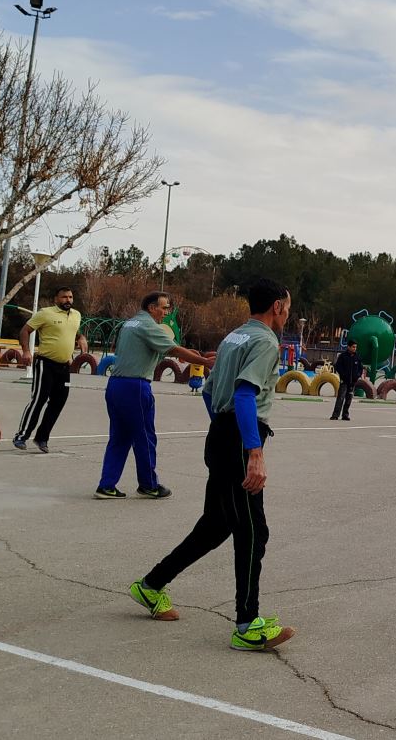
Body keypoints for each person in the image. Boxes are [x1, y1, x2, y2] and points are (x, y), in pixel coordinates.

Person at [128, 277, 297, 651]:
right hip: (238, 438)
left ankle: (151, 585)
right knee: (252, 531)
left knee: (215, 525)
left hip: (221, 433)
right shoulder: (265, 341)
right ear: (277, 307)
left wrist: (222, 430)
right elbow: (245, 395)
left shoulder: (234, 337)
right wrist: (253, 452)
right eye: (288, 307)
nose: (288, 313)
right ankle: (247, 624)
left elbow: (208, 391)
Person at [95, 291, 215, 500]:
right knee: (145, 437)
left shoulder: (130, 324)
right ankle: (148, 485)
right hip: (135, 386)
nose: (167, 312)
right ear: (152, 308)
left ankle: (106, 485)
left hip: (115, 385)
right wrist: (205, 362)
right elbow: (173, 350)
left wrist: (191, 353)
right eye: (165, 307)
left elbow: (162, 349)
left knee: (119, 438)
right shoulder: (149, 326)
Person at [12, 286, 89, 453]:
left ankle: (42, 438)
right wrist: (26, 351)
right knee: (38, 400)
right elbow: (25, 330)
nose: (68, 300)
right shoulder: (45, 313)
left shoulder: (76, 315)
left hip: (64, 367)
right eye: (64, 297)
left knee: (58, 402)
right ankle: (21, 436)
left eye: (70, 297)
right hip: (45, 364)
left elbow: (74, 332)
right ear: (56, 299)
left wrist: (81, 338)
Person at [330, 340, 362, 421]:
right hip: (344, 381)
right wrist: (343, 375)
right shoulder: (343, 356)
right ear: (348, 347)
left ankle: (345, 415)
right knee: (340, 398)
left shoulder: (357, 357)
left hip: (352, 382)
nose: (354, 348)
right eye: (353, 347)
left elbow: (360, 368)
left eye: (355, 347)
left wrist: (357, 376)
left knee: (349, 399)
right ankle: (335, 415)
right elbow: (338, 367)